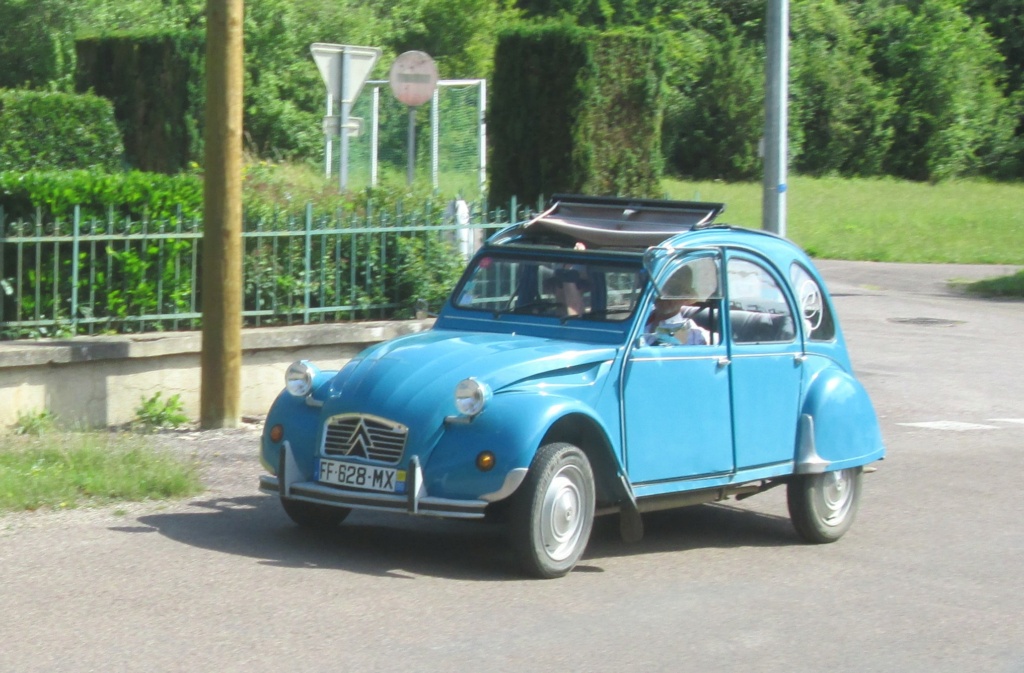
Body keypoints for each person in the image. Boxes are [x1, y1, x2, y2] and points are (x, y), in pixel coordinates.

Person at [643, 265, 711, 346]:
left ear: (685, 297)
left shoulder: (692, 334)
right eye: (661, 289)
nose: (664, 296)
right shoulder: (640, 316)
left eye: (674, 292)